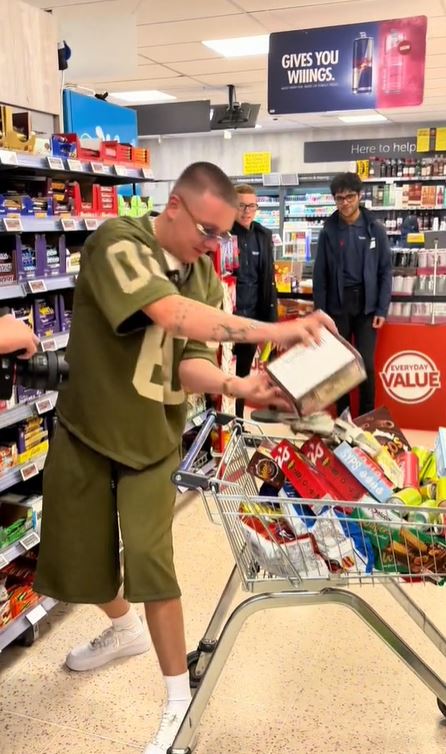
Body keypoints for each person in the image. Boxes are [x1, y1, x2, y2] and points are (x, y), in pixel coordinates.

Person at [34, 162, 334, 754]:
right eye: (207, 229)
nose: (213, 243)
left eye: (222, 234)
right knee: (76, 559)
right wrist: (275, 331)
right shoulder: (117, 242)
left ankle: (178, 701)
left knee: (152, 562)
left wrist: (241, 388)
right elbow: (169, 315)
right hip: (86, 429)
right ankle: (122, 631)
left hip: (151, 439)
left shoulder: (201, 274)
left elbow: (188, 359)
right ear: (172, 206)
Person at [313, 171, 392, 417]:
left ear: (359, 196)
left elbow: (385, 270)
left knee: (366, 364)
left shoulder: (375, 229)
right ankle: (344, 418)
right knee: (340, 365)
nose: (345, 203)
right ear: (334, 200)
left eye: (349, 197)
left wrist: (381, 308)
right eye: (339, 198)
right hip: (338, 305)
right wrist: (320, 312)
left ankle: (367, 418)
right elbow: (320, 274)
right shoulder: (328, 230)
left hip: (367, 306)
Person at [231, 183, 278, 419]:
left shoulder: (263, 236)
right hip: (226, 320)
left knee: (243, 378)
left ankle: (238, 424)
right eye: (241, 205)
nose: (246, 210)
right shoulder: (222, 235)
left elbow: (269, 281)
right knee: (224, 378)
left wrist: (271, 323)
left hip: (252, 321)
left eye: (251, 206)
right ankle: (221, 428)